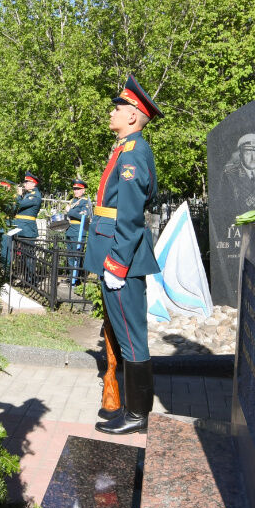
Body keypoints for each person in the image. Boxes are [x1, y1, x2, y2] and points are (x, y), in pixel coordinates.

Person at [87, 76, 162, 436]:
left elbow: (130, 214)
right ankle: (129, 408)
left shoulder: (134, 153)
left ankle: (138, 414)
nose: (112, 112)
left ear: (133, 116)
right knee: (121, 332)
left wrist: (116, 262)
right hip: (113, 249)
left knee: (132, 335)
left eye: (118, 107)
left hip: (122, 256)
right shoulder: (123, 149)